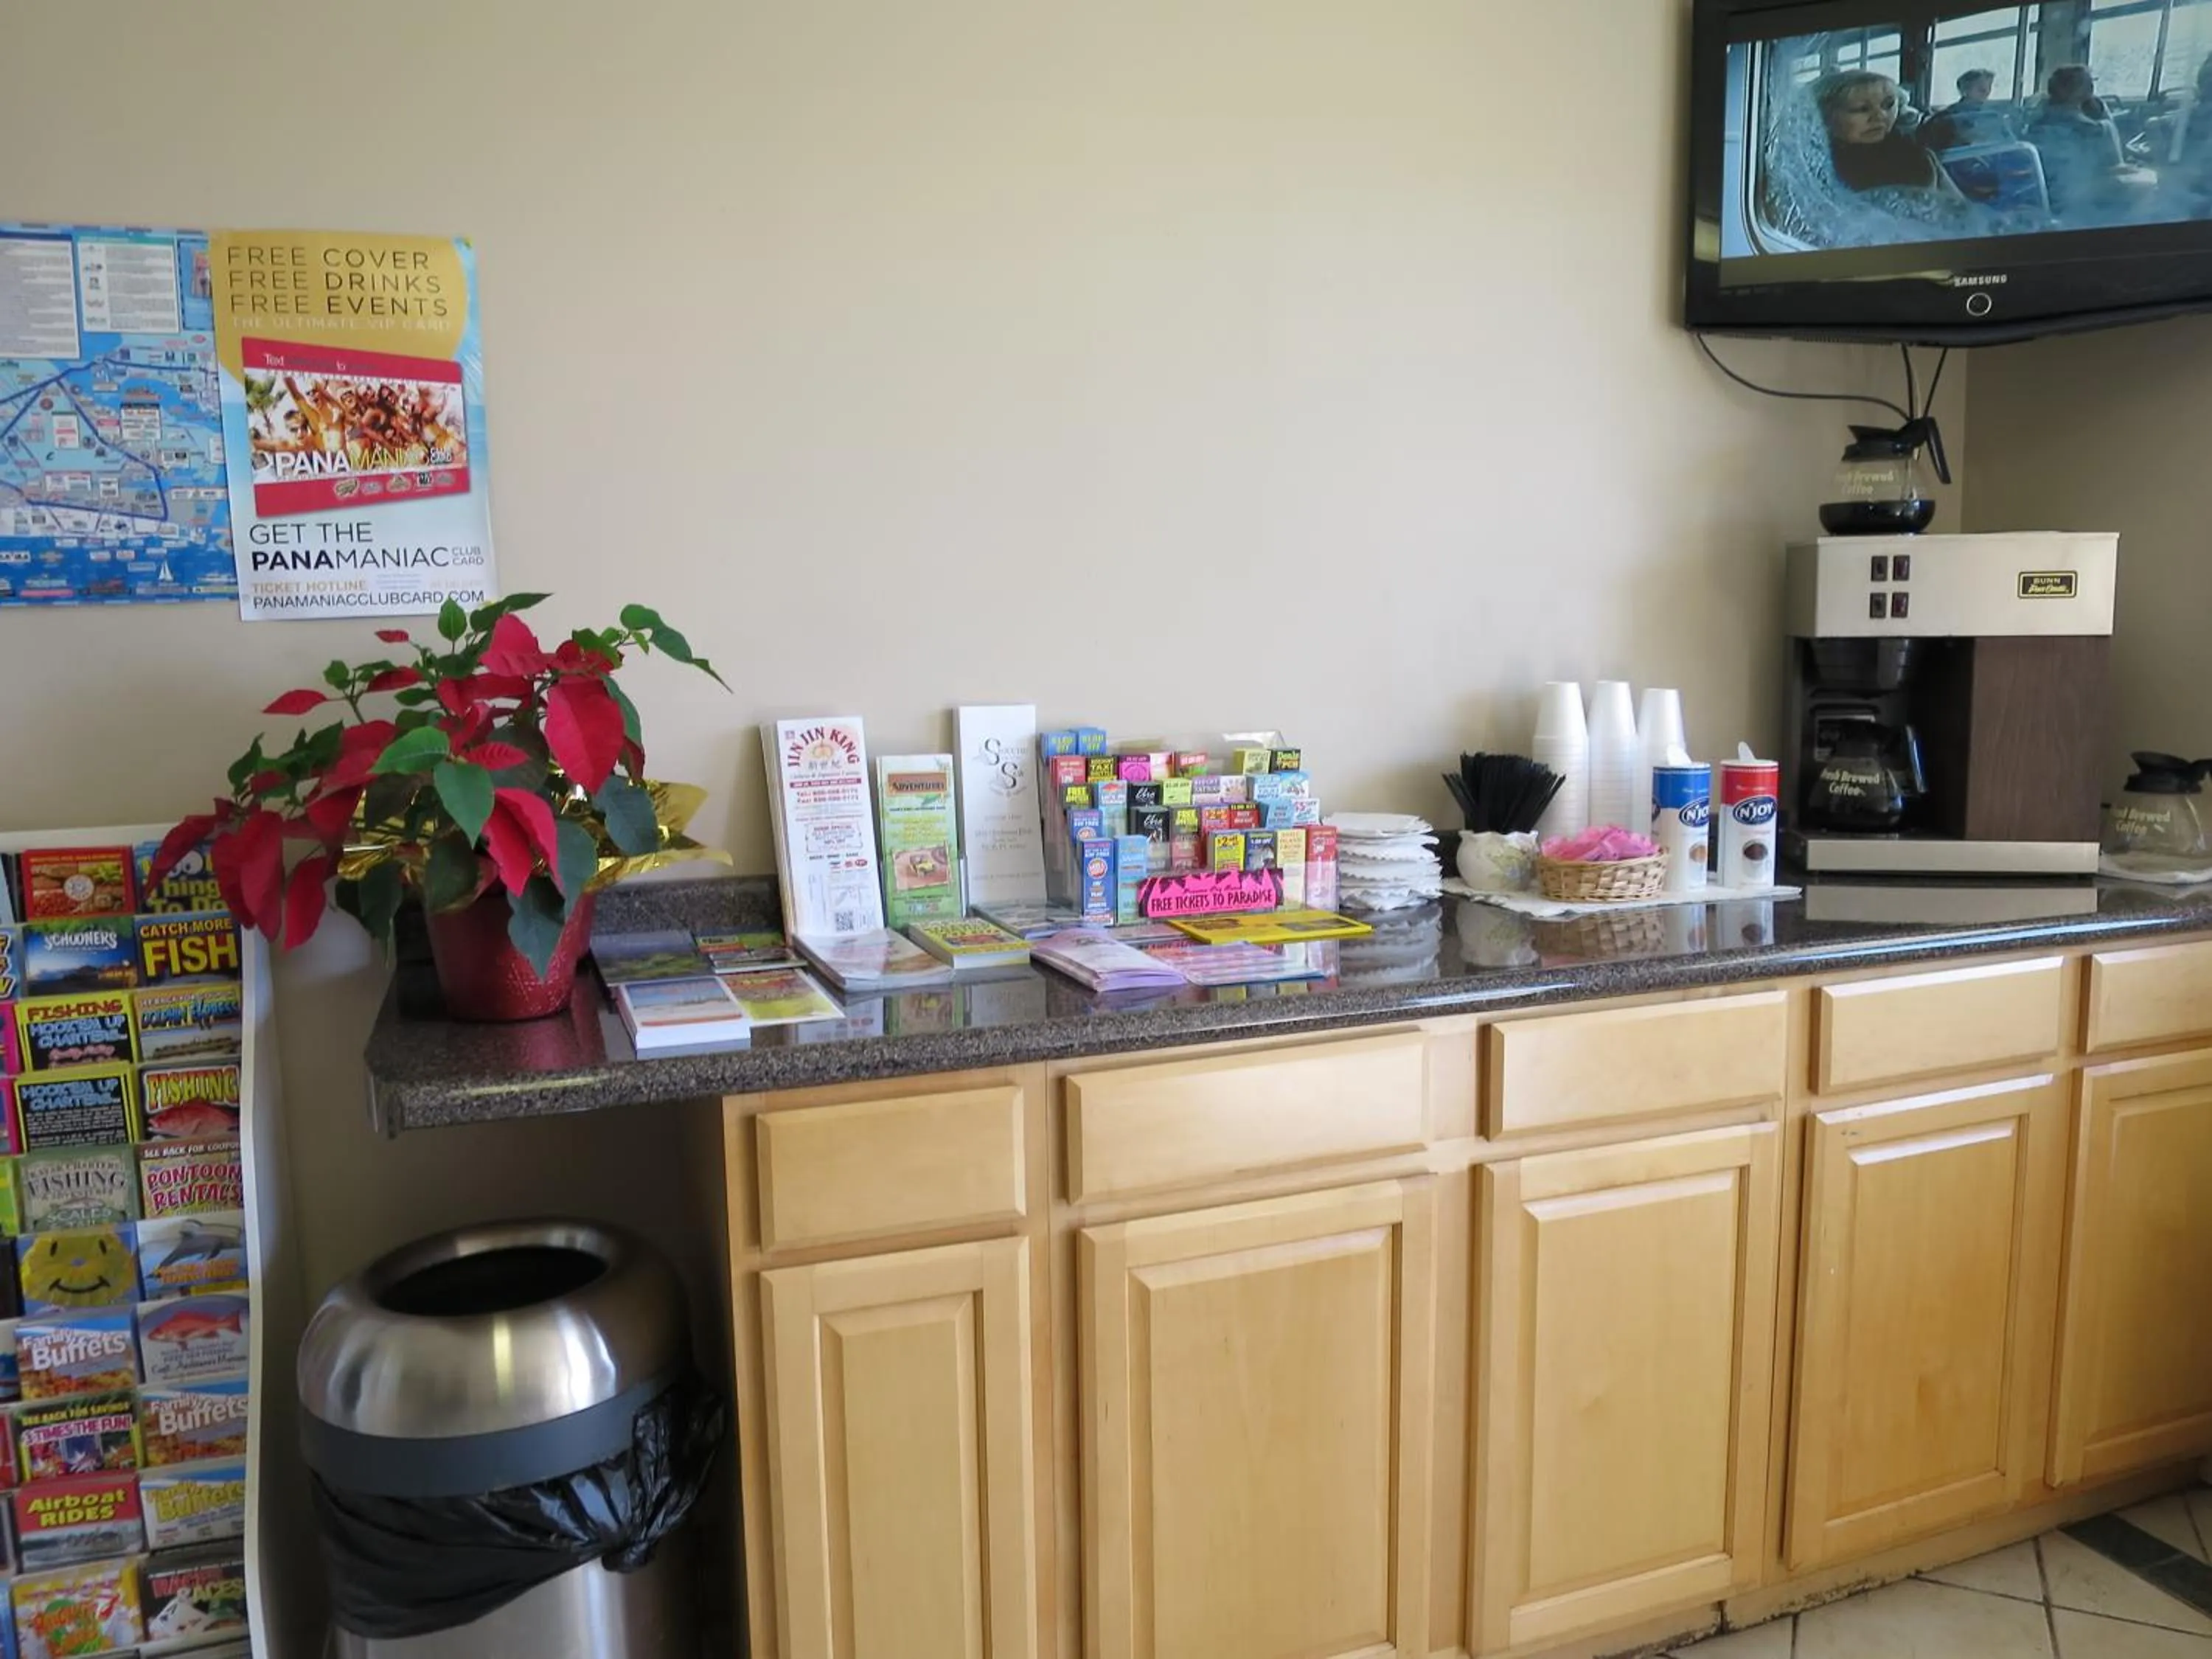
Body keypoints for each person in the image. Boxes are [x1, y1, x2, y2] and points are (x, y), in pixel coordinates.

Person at [1815, 70, 1963, 195]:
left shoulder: (1920, 156)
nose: (1880, 116)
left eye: (1888, 105)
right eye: (1862, 109)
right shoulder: (1816, 168)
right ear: (1825, 116)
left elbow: (1959, 211)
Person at [2028, 65, 2130, 216]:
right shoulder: (2095, 129)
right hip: (2081, 196)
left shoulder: (2039, 121)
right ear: (2080, 90)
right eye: (2088, 83)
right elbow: (2114, 165)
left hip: (2049, 193)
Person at [1921, 69, 2016, 150]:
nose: (1986, 93)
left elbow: (2009, 143)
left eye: (1989, 88)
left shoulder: (1993, 116)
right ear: (1965, 90)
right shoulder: (1944, 119)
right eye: (1981, 89)